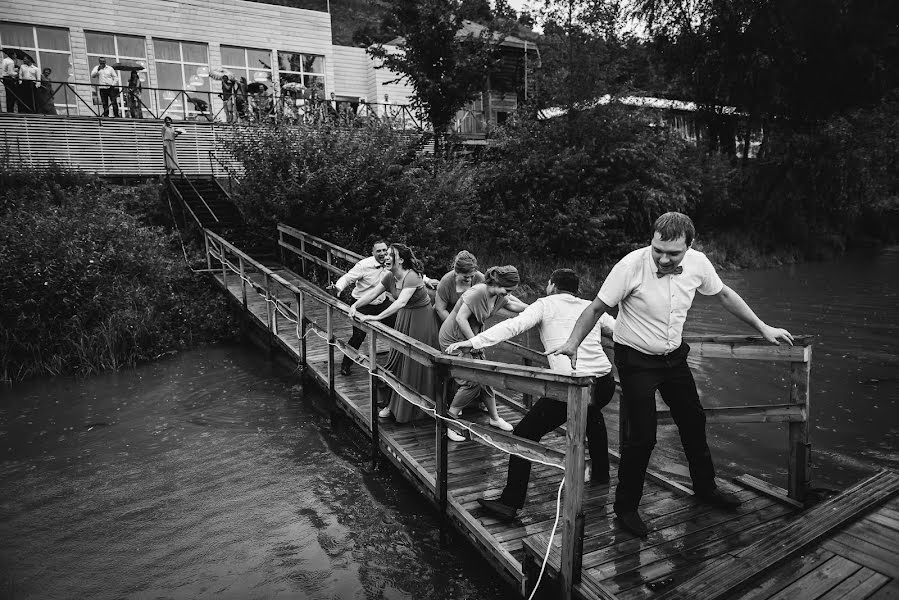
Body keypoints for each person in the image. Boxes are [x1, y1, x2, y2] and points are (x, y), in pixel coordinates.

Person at [551, 212, 794, 537]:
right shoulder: (629, 266)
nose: (664, 258)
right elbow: (595, 309)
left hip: (674, 357)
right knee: (644, 436)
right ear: (652, 241)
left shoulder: (699, 264)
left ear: (689, 247)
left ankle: (706, 488)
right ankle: (626, 507)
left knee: (693, 420)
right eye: (658, 250)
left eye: (673, 254)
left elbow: (724, 295)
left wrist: (762, 327)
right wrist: (571, 342)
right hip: (635, 359)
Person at [446, 269, 617, 520]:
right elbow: (618, 330)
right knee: (592, 415)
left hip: (574, 385)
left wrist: (472, 342)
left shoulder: (544, 304)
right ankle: (601, 476)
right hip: (604, 381)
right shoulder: (590, 306)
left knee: (524, 435)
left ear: (551, 285)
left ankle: (510, 502)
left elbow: (513, 326)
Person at [349, 243, 439, 423]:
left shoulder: (412, 277)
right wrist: (355, 305)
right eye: (386, 254)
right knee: (398, 359)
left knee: (414, 362)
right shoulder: (390, 276)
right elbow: (373, 292)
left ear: (402, 260)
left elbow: (400, 302)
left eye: (391, 255)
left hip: (421, 320)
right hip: (404, 319)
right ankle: (393, 403)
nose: (386, 257)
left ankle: (416, 407)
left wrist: (376, 317)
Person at [439, 266, 529, 441]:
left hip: (471, 338)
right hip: (454, 340)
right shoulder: (478, 292)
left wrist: (539, 308)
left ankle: (495, 419)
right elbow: (460, 318)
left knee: (486, 376)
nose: (508, 293)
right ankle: (449, 422)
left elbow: (512, 306)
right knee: (471, 380)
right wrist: (476, 343)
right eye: (508, 289)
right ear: (497, 282)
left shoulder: (498, 295)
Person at [328, 241, 397, 376]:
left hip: (381, 302)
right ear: (372, 253)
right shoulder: (363, 265)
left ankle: (397, 363)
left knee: (398, 328)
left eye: (384, 250)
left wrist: (426, 280)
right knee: (359, 335)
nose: (382, 254)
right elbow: (347, 278)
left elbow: (406, 273)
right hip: (362, 303)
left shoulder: (391, 262)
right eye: (379, 251)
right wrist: (338, 288)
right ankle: (346, 364)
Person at [434, 250, 485, 325]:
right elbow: (440, 309)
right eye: (466, 277)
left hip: (471, 319)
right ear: (456, 272)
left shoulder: (480, 278)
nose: (470, 279)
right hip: (448, 319)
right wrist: (455, 327)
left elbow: (494, 289)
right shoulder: (446, 282)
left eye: (472, 276)